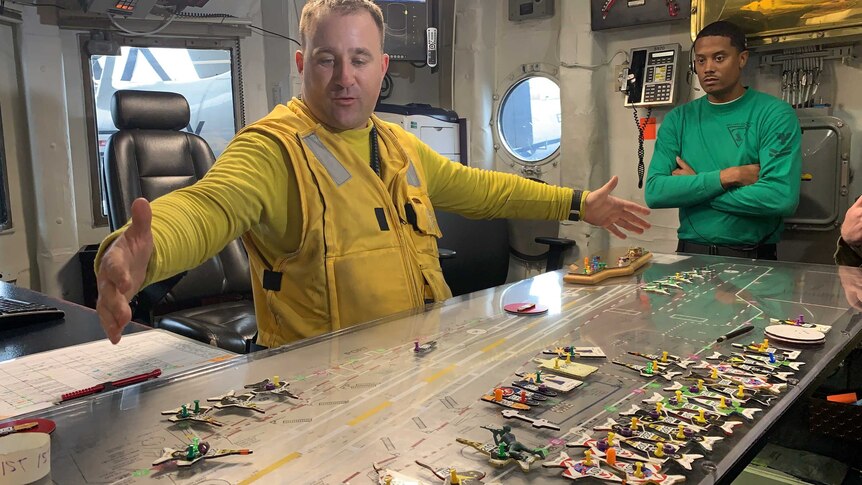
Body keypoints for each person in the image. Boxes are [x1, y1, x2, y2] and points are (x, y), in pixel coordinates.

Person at [95, 0, 651, 349]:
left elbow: (482, 188)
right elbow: (207, 206)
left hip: (414, 363)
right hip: (320, 388)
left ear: (382, 67)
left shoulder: (396, 143)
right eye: (325, 58)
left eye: (359, 59)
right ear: (301, 64)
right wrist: (138, 250)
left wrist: (578, 203)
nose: (343, 77)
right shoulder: (271, 150)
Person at [644, 20, 801, 260]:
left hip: (754, 257)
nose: (708, 68)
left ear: (742, 59)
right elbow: (656, 193)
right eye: (701, 60)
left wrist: (696, 187)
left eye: (719, 58)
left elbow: (780, 198)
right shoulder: (679, 119)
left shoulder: (774, 114)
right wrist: (729, 177)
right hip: (689, 254)